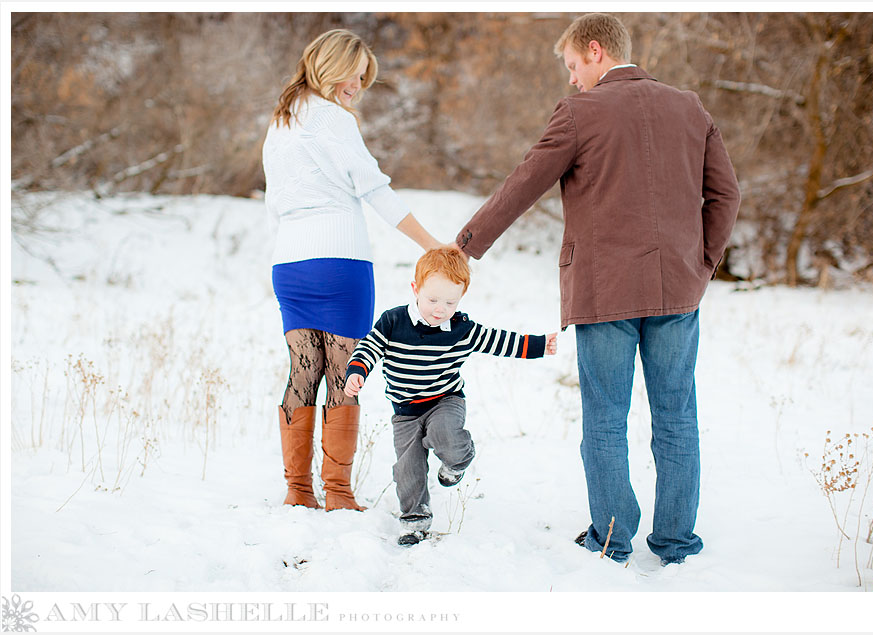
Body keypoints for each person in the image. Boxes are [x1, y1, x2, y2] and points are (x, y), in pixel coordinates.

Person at [453, 13, 740, 565]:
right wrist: (702, 263)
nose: (571, 80)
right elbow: (725, 195)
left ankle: (611, 541)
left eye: (572, 67)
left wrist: (464, 245)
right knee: (677, 416)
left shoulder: (580, 113)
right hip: (679, 291)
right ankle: (677, 543)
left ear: (595, 50)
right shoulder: (690, 106)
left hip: (605, 292)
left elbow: (523, 183)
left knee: (605, 417)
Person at [262, 29, 441, 512]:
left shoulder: (281, 121)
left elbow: (273, 203)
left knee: (303, 370)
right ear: (328, 66)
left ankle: (298, 491)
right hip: (340, 261)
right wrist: (432, 246)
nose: (357, 86)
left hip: (290, 264)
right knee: (345, 376)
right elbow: (375, 189)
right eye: (353, 75)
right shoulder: (331, 119)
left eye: (364, 79)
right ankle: (338, 494)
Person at [344, 247, 558, 545]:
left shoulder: (462, 330)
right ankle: (414, 520)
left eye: (450, 302)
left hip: (445, 400)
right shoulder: (393, 322)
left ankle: (457, 461)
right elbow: (370, 347)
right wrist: (357, 371)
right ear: (415, 289)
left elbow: (499, 341)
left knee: (445, 433)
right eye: (432, 300)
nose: (440, 309)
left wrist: (537, 345)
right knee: (408, 468)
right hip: (405, 411)